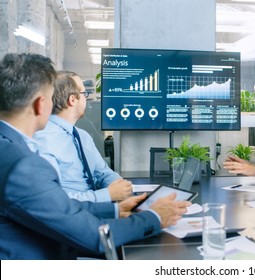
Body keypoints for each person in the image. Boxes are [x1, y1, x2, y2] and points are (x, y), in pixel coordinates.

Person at [0, 53, 191, 259]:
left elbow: (55, 206)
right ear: (40, 104)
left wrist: (114, 210)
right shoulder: (22, 165)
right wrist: (154, 217)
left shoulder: (10, 148)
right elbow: (94, 237)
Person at [34, 71, 131, 202]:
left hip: (97, 206)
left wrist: (122, 188)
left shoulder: (82, 136)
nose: (86, 98)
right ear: (72, 99)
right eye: (84, 94)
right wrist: (107, 195)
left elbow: (102, 173)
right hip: (72, 213)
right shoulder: (43, 139)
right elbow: (53, 200)